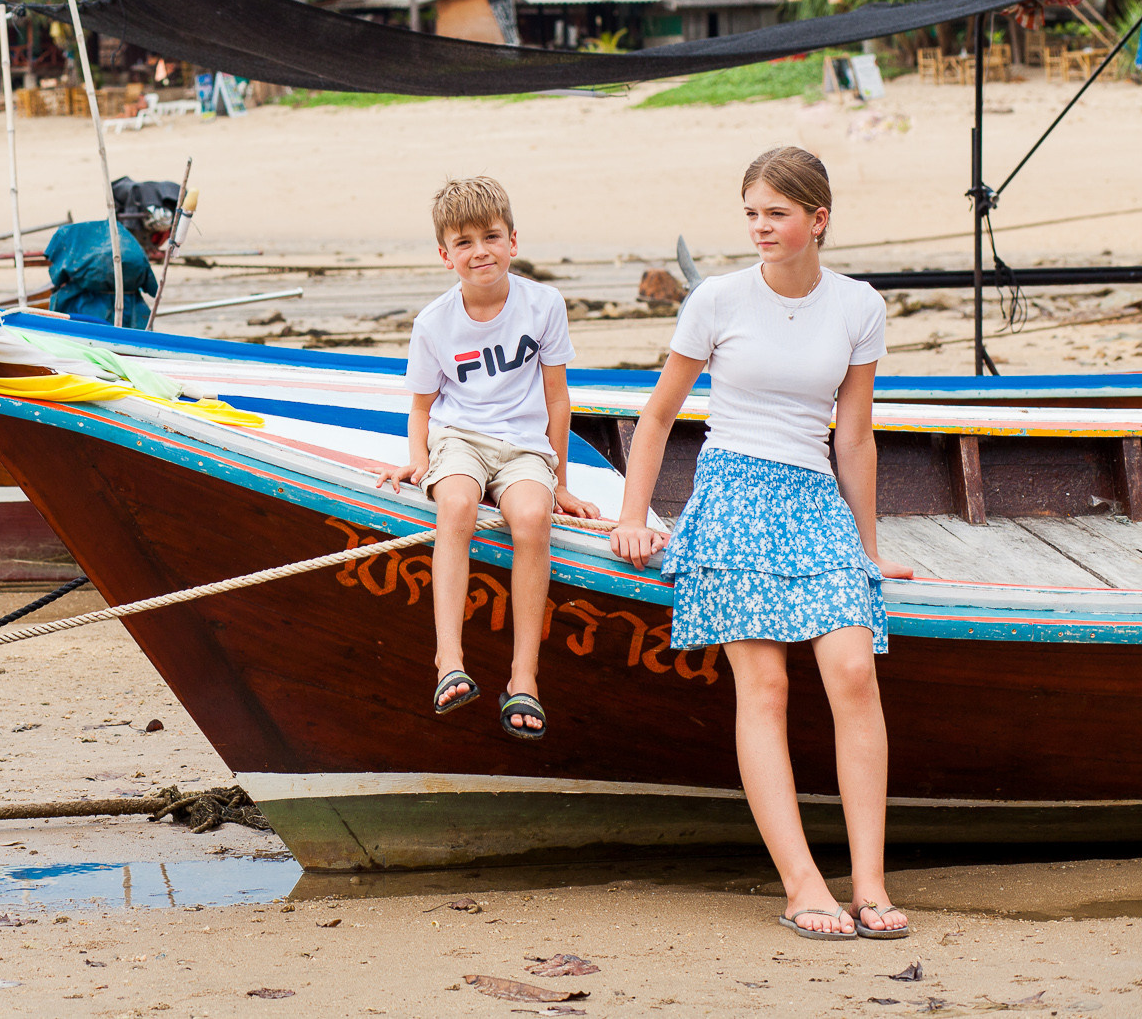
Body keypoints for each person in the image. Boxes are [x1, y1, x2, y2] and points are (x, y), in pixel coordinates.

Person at [609, 146, 914, 944]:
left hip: (814, 501)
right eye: (751, 212)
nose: (760, 227)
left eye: (776, 212)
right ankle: (802, 881)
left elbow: (854, 436)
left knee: (852, 668)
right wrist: (634, 512)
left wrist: (868, 550)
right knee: (767, 686)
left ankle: (871, 882)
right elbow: (658, 415)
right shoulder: (717, 299)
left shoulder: (857, 306)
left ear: (818, 219)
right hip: (734, 492)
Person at [378, 177, 599, 738]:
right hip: (461, 438)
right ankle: (448, 661)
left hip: (526, 446)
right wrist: (419, 461)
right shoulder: (433, 323)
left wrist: (561, 481)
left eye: (491, 237)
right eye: (465, 241)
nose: (481, 251)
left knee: (531, 518)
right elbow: (422, 407)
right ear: (445, 254)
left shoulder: (543, 304)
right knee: (456, 507)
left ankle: (524, 677)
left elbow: (556, 398)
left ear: (513, 241)